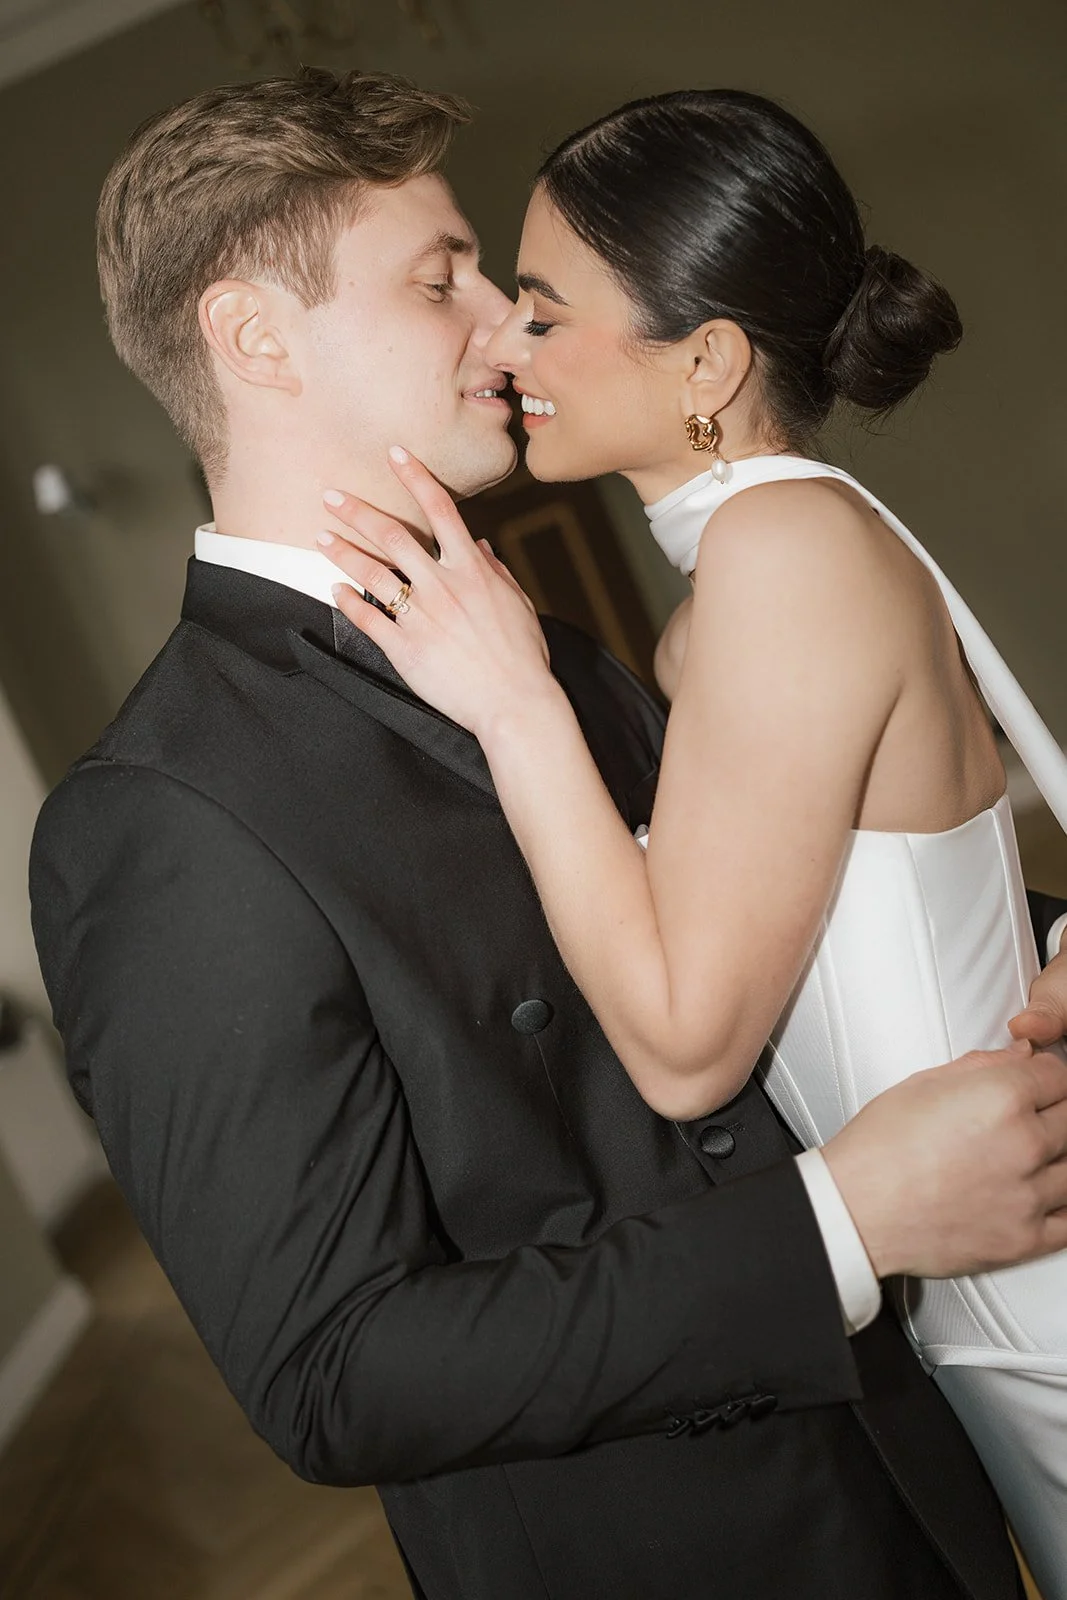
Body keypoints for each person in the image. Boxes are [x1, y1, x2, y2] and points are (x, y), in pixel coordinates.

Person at [27, 69, 1067, 1600]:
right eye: (439, 279)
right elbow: (338, 1372)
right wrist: (838, 1223)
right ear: (253, 337)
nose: (499, 328)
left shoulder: (552, 647)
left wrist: (1041, 941)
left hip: (915, 1481)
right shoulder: (167, 818)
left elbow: (801, 898)